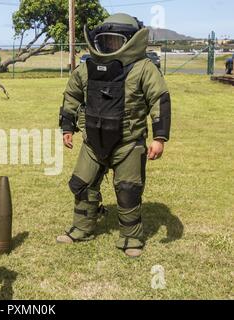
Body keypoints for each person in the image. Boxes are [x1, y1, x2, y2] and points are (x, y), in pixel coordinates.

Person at [57, 13, 172, 258]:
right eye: (105, 41)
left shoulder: (144, 68)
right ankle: (81, 228)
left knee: (128, 191)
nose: (110, 46)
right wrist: (68, 127)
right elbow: (72, 95)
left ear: (131, 41)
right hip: (92, 143)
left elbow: (159, 100)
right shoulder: (86, 68)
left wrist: (159, 138)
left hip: (128, 145)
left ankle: (131, 238)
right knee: (82, 186)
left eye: (116, 41)